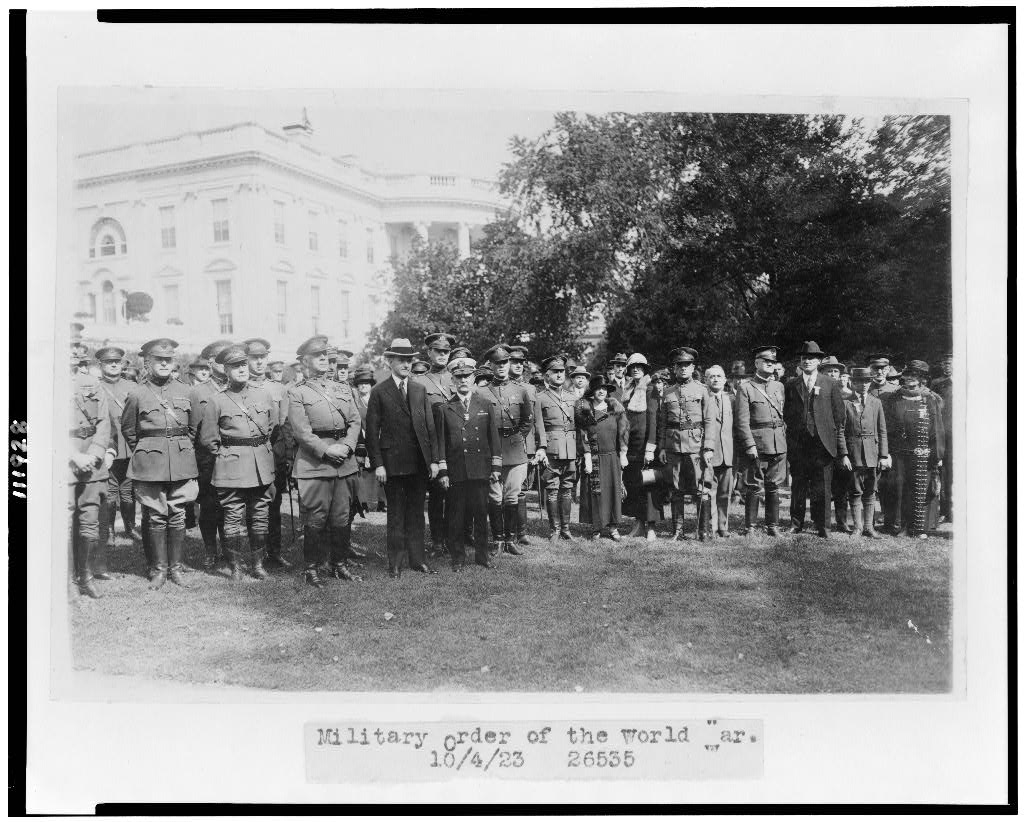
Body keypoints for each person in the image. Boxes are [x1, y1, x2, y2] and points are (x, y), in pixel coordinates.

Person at [121, 338, 201, 589]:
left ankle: (175, 569)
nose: (165, 364)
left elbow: (193, 428)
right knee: (155, 515)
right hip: (150, 462)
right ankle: (158, 570)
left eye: (169, 360)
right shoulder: (137, 393)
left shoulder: (187, 391)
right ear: (147, 362)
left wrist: (177, 448)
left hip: (181, 460)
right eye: (159, 360)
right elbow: (129, 430)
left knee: (177, 515)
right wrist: (149, 449)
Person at [287, 335, 364, 586]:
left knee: (341, 516)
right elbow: (300, 431)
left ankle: (338, 564)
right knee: (316, 518)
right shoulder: (297, 393)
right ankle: (311, 568)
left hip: (344, 461)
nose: (323, 360)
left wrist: (348, 445)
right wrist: (326, 450)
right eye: (317, 356)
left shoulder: (342, 389)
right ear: (305, 362)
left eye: (325, 355)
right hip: (316, 463)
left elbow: (355, 421)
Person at [199, 345, 280, 582]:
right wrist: (229, 454)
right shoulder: (217, 401)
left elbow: (272, 429)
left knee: (260, 515)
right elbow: (208, 439)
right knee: (232, 516)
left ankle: (257, 565)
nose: (242, 369)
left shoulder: (263, 395)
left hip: (261, 466)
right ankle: (235, 566)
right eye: (235, 366)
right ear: (225, 370)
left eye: (243, 364)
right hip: (231, 466)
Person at [365, 338, 440, 577]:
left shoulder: (419, 389)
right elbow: (372, 433)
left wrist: (434, 460)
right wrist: (378, 464)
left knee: (417, 513)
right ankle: (395, 563)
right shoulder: (379, 391)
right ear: (390, 361)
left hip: (418, 464)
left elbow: (429, 428)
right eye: (402, 360)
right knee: (396, 514)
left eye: (410, 360)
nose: (407, 364)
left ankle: (417, 560)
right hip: (392, 464)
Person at [435, 355, 503, 571]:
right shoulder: (445, 409)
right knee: (455, 516)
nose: (463, 380)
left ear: (473, 378)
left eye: (467, 376)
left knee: (481, 514)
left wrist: (496, 467)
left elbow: (493, 437)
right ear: (452, 380)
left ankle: (482, 556)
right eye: (459, 377)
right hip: (456, 471)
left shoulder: (485, 405)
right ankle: (458, 558)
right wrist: (443, 471)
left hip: (480, 469)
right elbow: (440, 443)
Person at [783, 341, 848, 538]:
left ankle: (823, 526)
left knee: (823, 487)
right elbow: (787, 413)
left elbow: (839, 416)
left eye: (811, 358)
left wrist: (836, 443)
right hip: (799, 443)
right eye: (804, 358)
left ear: (819, 361)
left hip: (823, 444)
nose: (807, 361)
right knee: (799, 485)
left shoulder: (830, 384)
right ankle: (796, 523)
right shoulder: (791, 384)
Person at [69, 358, 117, 597]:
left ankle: (86, 576)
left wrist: (96, 452)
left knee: (90, 518)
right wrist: (73, 455)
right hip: (62, 462)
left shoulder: (91, 383)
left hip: (92, 463)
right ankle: (66, 580)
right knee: (64, 521)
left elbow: (104, 422)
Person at [480, 344, 534, 556]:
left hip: (514, 449)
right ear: (491, 365)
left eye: (505, 363)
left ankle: (511, 540)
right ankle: (498, 541)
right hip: (492, 450)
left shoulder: (521, 390)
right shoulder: (481, 392)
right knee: (494, 497)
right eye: (497, 363)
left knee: (512, 496)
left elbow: (528, 418)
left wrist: (518, 436)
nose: (502, 367)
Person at [245, 338, 294, 570]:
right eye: (254, 358)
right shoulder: (239, 386)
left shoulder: (279, 389)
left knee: (274, 503)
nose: (258, 362)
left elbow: (284, 425)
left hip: (273, 452)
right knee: (252, 505)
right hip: (247, 453)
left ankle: (274, 552)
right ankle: (256, 554)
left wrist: (286, 457)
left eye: (262, 357)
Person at [882, 360, 945, 538]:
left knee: (921, 489)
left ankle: (919, 528)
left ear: (921, 378)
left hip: (923, 453)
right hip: (899, 453)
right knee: (899, 489)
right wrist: (886, 452)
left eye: (914, 375)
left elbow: (937, 429)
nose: (910, 379)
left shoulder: (930, 399)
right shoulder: (894, 398)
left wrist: (937, 454)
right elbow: (887, 427)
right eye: (907, 375)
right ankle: (899, 526)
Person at [657, 347, 713, 541]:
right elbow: (663, 423)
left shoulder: (702, 390)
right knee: (676, 489)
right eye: (679, 365)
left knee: (701, 487)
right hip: (673, 447)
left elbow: (709, 421)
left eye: (687, 365)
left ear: (693, 367)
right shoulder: (667, 392)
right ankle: (678, 531)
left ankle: (703, 530)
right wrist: (662, 447)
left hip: (696, 447)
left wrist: (708, 447)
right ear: (674, 368)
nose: (683, 368)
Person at [734, 346, 787, 535]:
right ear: (756, 364)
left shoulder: (778, 386)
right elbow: (741, 421)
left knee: (774, 486)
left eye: (772, 362)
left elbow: (782, 416)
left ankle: (773, 526)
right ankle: (751, 527)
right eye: (766, 361)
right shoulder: (746, 387)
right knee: (754, 486)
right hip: (757, 444)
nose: (770, 364)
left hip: (778, 443)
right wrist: (749, 444)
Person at [191, 340, 232, 570]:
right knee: (208, 508)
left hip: (232, 457)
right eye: (219, 358)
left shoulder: (235, 386)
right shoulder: (198, 392)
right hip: (207, 459)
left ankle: (228, 549)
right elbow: (194, 429)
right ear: (209, 362)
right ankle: (210, 551)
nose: (224, 362)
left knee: (230, 506)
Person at [416, 332, 457, 557]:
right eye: (438, 351)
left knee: (455, 495)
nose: (442, 355)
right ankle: (437, 541)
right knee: (436, 495)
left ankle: (453, 538)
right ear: (429, 353)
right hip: (432, 445)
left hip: (457, 445)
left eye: (446, 352)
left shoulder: (458, 378)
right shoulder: (419, 381)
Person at [576, 375, 630, 539]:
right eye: (598, 388)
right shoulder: (586, 410)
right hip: (594, 457)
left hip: (612, 456)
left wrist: (623, 453)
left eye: (604, 389)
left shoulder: (616, 409)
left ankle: (613, 527)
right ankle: (597, 527)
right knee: (596, 493)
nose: (601, 391)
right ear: (592, 391)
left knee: (613, 491)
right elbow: (582, 433)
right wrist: (586, 455)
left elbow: (623, 431)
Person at [534, 355, 580, 540]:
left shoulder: (572, 396)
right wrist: (542, 448)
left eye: (562, 371)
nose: (560, 375)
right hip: (552, 447)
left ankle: (566, 530)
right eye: (555, 372)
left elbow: (578, 423)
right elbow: (539, 426)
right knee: (552, 488)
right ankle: (555, 529)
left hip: (570, 447)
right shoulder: (540, 398)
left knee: (567, 487)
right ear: (546, 376)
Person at [95, 346, 135, 547]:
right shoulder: (95, 387)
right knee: (109, 492)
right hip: (108, 446)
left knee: (128, 491)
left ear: (122, 364)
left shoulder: (132, 386)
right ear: (100, 365)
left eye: (117, 362)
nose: (113, 365)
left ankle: (130, 528)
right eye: (109, 362)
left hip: (129, 446)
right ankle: (109, 530)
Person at [844, 367, 890, 538]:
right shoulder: (845, 402)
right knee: (855, 489)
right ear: (852, 382)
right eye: (858, 381)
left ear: (870, 382)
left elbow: (882, 430)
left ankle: (869, 527)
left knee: (871, 490)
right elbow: (840, 430)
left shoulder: (876, 402)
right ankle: (857, 527)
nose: (862, 385)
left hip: (872, 451)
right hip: (853, 451)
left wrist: (883, 455)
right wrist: (844, 455)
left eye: (866, 381)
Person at [620, 353, 660, 540]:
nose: (636, 369)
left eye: (639, 366)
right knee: (633, 482)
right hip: (631, 444)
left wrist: (651, 448)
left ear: (645, 369)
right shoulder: (627, 390)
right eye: (632, 366)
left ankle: (651, 526)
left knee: (648, 483)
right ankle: (639, 524)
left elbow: (653, 419)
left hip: (646, 444)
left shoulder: (651, 388)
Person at [509, 344, 539, 548]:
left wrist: (541, 446)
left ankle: (522, 532)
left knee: (520, 490)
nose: (518, 365)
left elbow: (537, 421)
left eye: (521, 363)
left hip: (525, 446)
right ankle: (505, 531)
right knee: (506, 488)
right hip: (505, 445)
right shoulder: (501, 387)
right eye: (514, 362)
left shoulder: (530, 388)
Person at [702, 365, 735, 540]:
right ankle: (711, 526)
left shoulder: (732, 399)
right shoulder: (702, 398)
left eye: (719, 376)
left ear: (725, 379)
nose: (715, 379)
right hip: (709, 453)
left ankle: (723, 526)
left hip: (728, 453)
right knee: (710, 490)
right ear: (705, 380)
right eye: (711, 376)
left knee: (725, 491)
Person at [820, 356, 853, 531]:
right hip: (825, 444)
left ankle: (842, 521)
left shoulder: (849, 393)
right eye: (829, 371)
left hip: (845, 443)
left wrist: (844, 451)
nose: (833, 374)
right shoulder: (819, 390)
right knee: (824, 486)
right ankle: (823, 522)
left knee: (842, 486)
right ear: (822, 373)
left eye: (836, 371)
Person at [930, 354, 953, 522]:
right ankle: (945, 511)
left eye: (950, 363)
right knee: (944, 471)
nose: (947, 366)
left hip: (961, 433)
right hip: (943, 433)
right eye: (945, 363)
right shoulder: (937, 384)